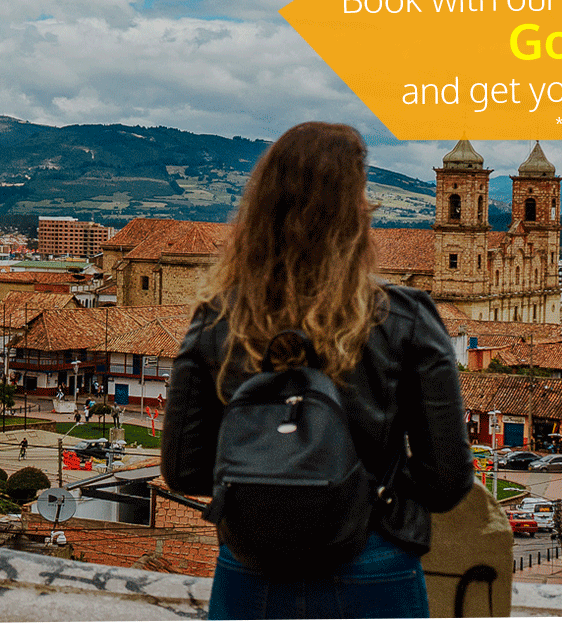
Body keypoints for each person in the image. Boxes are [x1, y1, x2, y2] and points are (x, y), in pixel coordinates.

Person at [160, 122, 472, 619]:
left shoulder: (216, 320)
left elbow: (184, 469)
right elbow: (447, 480)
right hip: (375, 560)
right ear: (356, 215)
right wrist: (366, 492)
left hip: (251, 566)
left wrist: (271, 490)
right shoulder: (406, 318)